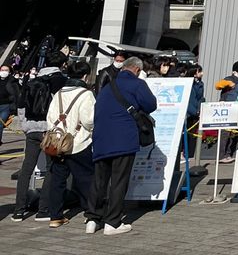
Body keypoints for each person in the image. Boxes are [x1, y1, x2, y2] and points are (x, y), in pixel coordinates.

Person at [91, 55, 157, 235]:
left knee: (99, 180)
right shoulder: (137, 84)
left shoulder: (107, 86)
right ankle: (112, 222)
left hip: (101, 138)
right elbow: (151, 104)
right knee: (119, 180)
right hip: (123, 138)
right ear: (137, 70)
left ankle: (92, 219)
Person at [10, 51, 67, 221]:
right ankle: (43, 209)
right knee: (52, 167)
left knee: (27, 169)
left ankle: (18, 210)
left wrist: (25, 126)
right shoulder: (61, 81)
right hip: (49, 132)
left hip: (31, 131)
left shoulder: (32, 80)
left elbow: (21, 105)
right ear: (62, 64)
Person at [41, 59, 98, 230]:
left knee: (57, 179)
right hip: (78, 142)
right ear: (85, 76)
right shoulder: (85, 94)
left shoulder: (58, 93)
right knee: (85, 178)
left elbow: (50, 118)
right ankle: (90, 214)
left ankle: (55, 216)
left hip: (57, 144)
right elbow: (89, 121)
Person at [217, 60, 238, 163]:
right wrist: (228, 83)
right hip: (227, 110)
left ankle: (228, 153)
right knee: (225, 133)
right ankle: (221, 155)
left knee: (232, 134)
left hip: (237, 110)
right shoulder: (228, 79)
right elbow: (218, 85)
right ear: (235, 71)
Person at [0, 63, 18, 146]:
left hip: (6, 106)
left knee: (0, 124)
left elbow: (16, 95)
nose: (3, 72)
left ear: (10, 72)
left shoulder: (13, 81)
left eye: (6, 70)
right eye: (2, 70)